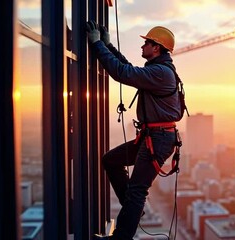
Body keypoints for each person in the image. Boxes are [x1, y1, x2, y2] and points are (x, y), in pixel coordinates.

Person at [86, 21, 182, 240]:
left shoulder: (161, 73)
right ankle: (132, 209)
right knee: (111, 160)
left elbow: (122, 72)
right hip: (152, 137)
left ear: (156, 47)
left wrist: (98, 44)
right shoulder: (157, 71)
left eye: (146, 43)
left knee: (138, 190)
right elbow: (128, 69)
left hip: (157, 139)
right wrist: (108, 47)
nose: (142, 47)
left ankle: (122, 234)